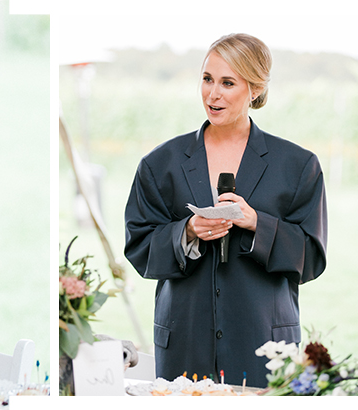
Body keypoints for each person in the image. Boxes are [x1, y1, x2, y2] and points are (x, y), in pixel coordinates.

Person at [124, 33, 327, 388]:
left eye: (227, 83)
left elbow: (312, 257)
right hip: (184, 346)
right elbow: (139, 245)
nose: (212, 94)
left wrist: (256, 223)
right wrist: (186, 231)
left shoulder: (299, 166)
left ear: (256, 89)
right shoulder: (160, 164)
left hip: (266, 347)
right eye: (207, 79)